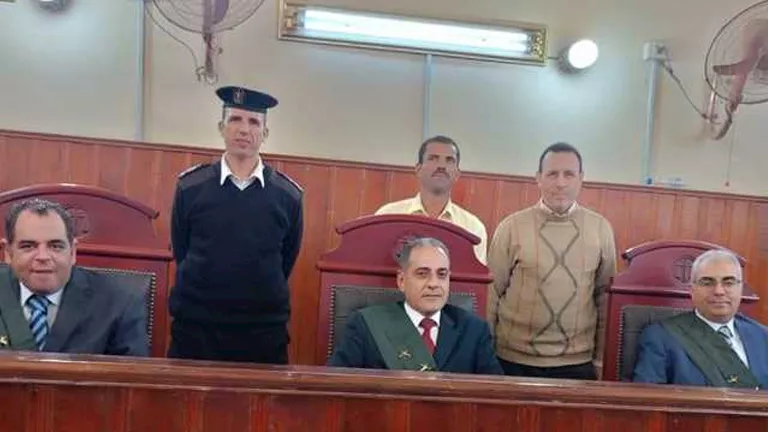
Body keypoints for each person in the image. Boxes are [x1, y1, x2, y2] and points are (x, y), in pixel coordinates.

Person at [168, 86, 304, 364]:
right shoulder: (190, 187)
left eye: (254, 122)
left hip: (263, 333)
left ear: (265, 133)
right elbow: (182, 250)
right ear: (221, 128)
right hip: (196, 331)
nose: (244, 129)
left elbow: (286, 259)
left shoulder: (288, 195)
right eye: (235, 120)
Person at [487, 142, 617, 380]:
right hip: (512, 359)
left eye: (569, 174)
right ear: (538, 178)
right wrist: (486, 354)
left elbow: (605, 298)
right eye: (552, 174)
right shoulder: (511, 227)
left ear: (581, 179)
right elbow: (491, 292)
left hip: (577, 362)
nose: (560, 183)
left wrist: (601, 359)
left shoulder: (600, 229)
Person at [328, 237, 502, 375]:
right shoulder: (365, 325)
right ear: (401, 281)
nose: (433, 284)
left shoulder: (474, 330)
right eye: (422, 274)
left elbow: (495, 393)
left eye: (442, 274)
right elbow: (337, 386)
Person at [0, 199, 148, 356]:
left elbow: (131, 370)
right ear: (8, 253)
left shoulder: (120, 302)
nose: (43, 256)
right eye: (28, 246)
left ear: (72, 252)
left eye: (55, 246)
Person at [633, 249, 768, 388]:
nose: (719, 291)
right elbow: (646, 398)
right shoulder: (661, 337)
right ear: (692, 290)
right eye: (707, 283)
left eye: (728, 282)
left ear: (740, 288)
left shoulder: (762, 336)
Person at [375, 136, 488, 263]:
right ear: (418, 169)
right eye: (433, 158)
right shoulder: (387, 216)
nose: (441, 166)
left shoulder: (473, 228)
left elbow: (474, 274)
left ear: (457, 174)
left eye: (449, 160)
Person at [712, 18, 768, 114]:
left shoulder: (754, 53)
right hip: (755, 30)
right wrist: (734, 96)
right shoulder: (754, 50)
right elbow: (744, 69)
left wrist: (734, 96)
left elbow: (743, 71)